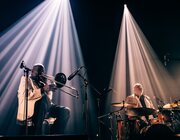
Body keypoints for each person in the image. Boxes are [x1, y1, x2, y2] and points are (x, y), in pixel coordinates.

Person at [17, 63, 70, 135]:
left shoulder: (41, 82)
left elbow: (48, 100)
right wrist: (43, 89)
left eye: (42, 72)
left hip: (45, 107)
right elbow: (28, 95)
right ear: (32, 71)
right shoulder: (25, 79)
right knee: (42, 101)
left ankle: (55, 134)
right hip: (32, 109)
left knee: (65, 111)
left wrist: (49, 89)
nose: (41, 73)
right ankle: (37, 135)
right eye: (39, 71)